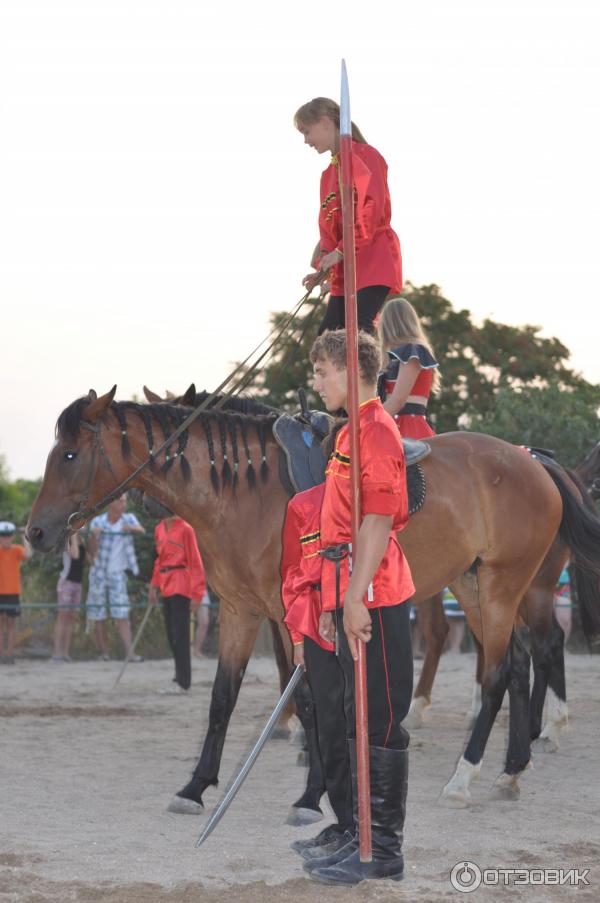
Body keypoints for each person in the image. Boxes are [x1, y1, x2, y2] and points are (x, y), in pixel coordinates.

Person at [296, 329, 414, 886]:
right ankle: (357, 831)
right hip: (344, 582)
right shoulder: (350, 432)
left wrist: (354, 597)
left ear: (349, 369)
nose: (315, 382)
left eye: (322, 371)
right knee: (352, 711)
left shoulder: (377, 431)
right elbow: (333, 525)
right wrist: (327, 595)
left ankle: (383, 849)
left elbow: (378, 519)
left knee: (382, 718)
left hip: (376, 591)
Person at [281, 483, 354, 860]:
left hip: (360, 618)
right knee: (329, 725)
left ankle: (368, 827)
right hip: (314, 626)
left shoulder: (365, 500)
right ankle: (345, 822)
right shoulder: (302, 505)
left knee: (364, 724)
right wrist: (297, 638)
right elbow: (293, 573)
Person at [295, 97, 402, 336]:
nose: (306, 141)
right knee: (327, 338)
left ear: (325, 122)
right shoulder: (328, 174)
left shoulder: (366, 156)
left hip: (374, 257)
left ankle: (366, 374)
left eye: (307, 132)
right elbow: (328, 230)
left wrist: (341, 252)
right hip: (345, 269)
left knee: (356, 334)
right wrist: (324, 269)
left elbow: (371, 209)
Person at [149, 515, 206, 694]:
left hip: (181, 583)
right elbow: (159, 559)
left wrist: (198, 593)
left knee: (180, 635)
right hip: (165, 583)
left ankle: (183, 681)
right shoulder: (159, 528)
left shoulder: (185, 528)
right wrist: (153, 585)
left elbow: (195, 561)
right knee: (171, 634)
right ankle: (178, 675)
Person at [85, 495, 145, 661]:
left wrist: (131, 529)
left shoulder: (129, 518)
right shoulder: (98, 522)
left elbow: (142, 530)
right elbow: (90, 552)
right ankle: (104, 654)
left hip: (118, 574)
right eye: (120, 500)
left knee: (122, 614)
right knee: (98, 614)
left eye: (125, 500)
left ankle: (130, 653)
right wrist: (93, 537)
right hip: (98, 573)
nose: (124, 504)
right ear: (111, 503)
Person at [377, 295, 440, 438]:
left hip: (407, 428)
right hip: (394, 424)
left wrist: (364, 423)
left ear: (387, 324)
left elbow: (397, 401)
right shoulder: (391, 358)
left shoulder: (413, 352)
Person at [0, 521, 32, 664]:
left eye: (8, 536)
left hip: (13, 592)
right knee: (1, 625)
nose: (6, 538)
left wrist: (25, 537)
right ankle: (1, 654)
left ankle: (9, 654)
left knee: (11, 625)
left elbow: (29, 554)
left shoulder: (17, 550)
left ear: (12, 537)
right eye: (3, 536)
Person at [52, 532, 87, 662]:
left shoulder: (82, 541)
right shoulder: (67, 541)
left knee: (71, 619)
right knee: (62, 618)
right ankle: (56, 653)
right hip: (66, 582)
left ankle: (65, 653)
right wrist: (73, 535)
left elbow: (88, 558)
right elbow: (75, 555)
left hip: (78, 583)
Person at [554, 565, 572, 644]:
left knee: (567, 623)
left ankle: (562, 644)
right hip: (557, 601)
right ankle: (558, 644)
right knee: (560, 622)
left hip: (566, 600)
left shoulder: (565, 572)